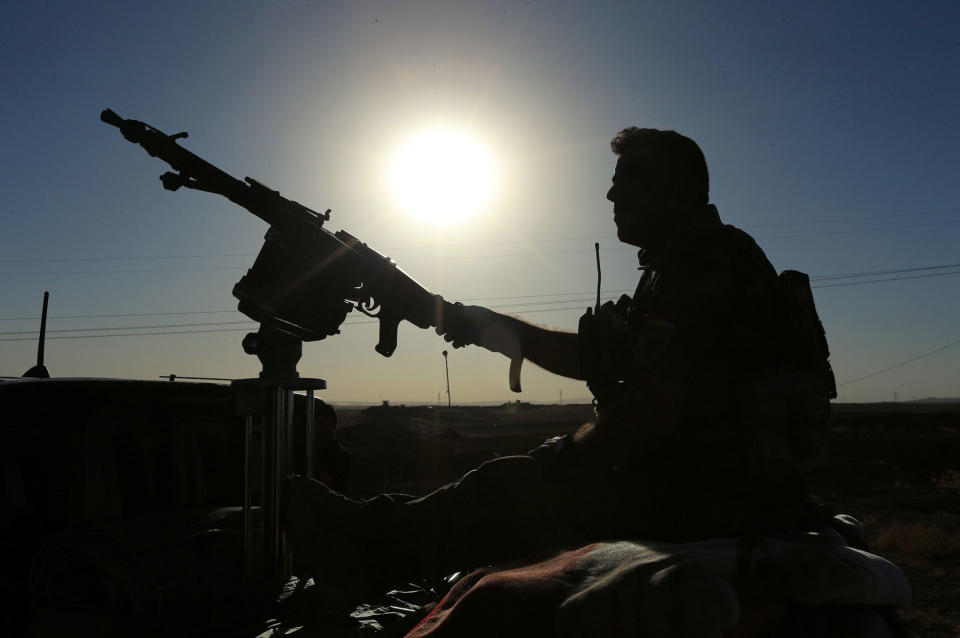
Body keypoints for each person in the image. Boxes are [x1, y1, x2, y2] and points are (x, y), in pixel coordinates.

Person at [285, 127, 833, 608]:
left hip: (712, 495)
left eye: (631, 178)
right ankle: (369, 535)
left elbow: (648, 415)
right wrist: (485, 324)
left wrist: (566, 456)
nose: (612, 192)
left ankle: (362, 551)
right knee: (513, 482)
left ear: (685, 187)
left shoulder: (707, 261)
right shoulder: (678, 268)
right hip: (699, 482)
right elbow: (593, 358)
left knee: (509, 487)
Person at [309, 400, 351, 495]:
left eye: (319, 422)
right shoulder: (313, 451)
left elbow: (326, 485)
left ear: (330, 424)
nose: (315, 426)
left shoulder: (338, 455)